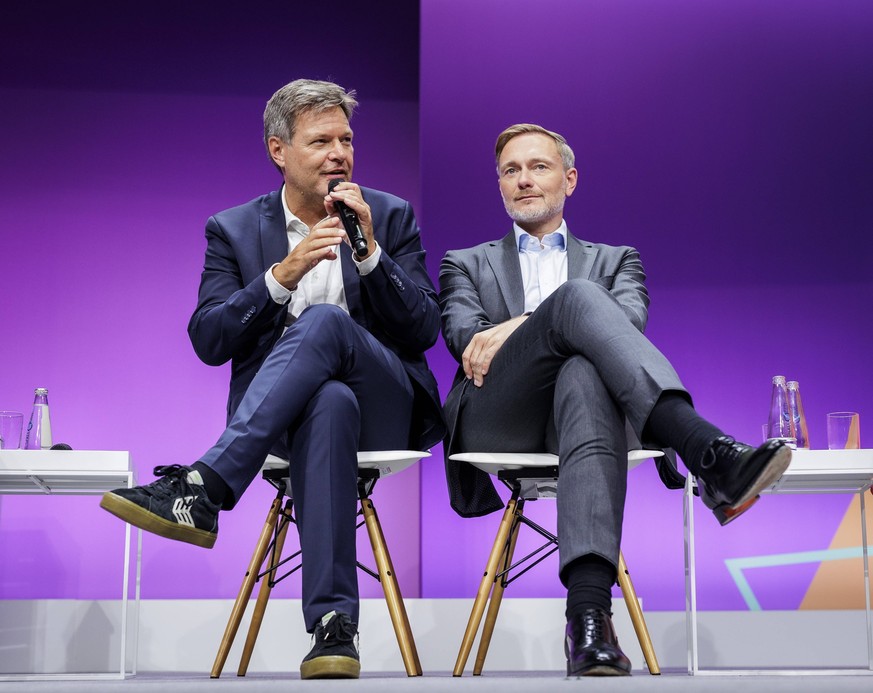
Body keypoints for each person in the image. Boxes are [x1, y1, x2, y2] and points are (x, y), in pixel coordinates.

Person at [100, 79, 445, 680]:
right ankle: (333, 632)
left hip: (387, 404)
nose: (339, 153)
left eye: (346, 140)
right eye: (320, 141)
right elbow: (209, 339)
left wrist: (370, 256)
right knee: (329, 402)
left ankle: (205, 488)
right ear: (278, 151)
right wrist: (278, 277)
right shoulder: (232, 230)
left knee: (326, 324)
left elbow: (423, 331)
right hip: (283, 421)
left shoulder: (389, 216)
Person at [439, 123, 791, 677]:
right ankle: (706, 451)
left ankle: (588, 623)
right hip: (499, 413)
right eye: (511, 170)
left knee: (584, 369)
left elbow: (623, 328)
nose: (524, 180)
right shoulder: (466, 262)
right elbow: (468, 340)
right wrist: (542, 320)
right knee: (580, 303)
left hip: (588, 416)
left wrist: (526, 324)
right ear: (500, 186)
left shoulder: (618, 259)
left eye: (538, 166)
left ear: (569, 179)